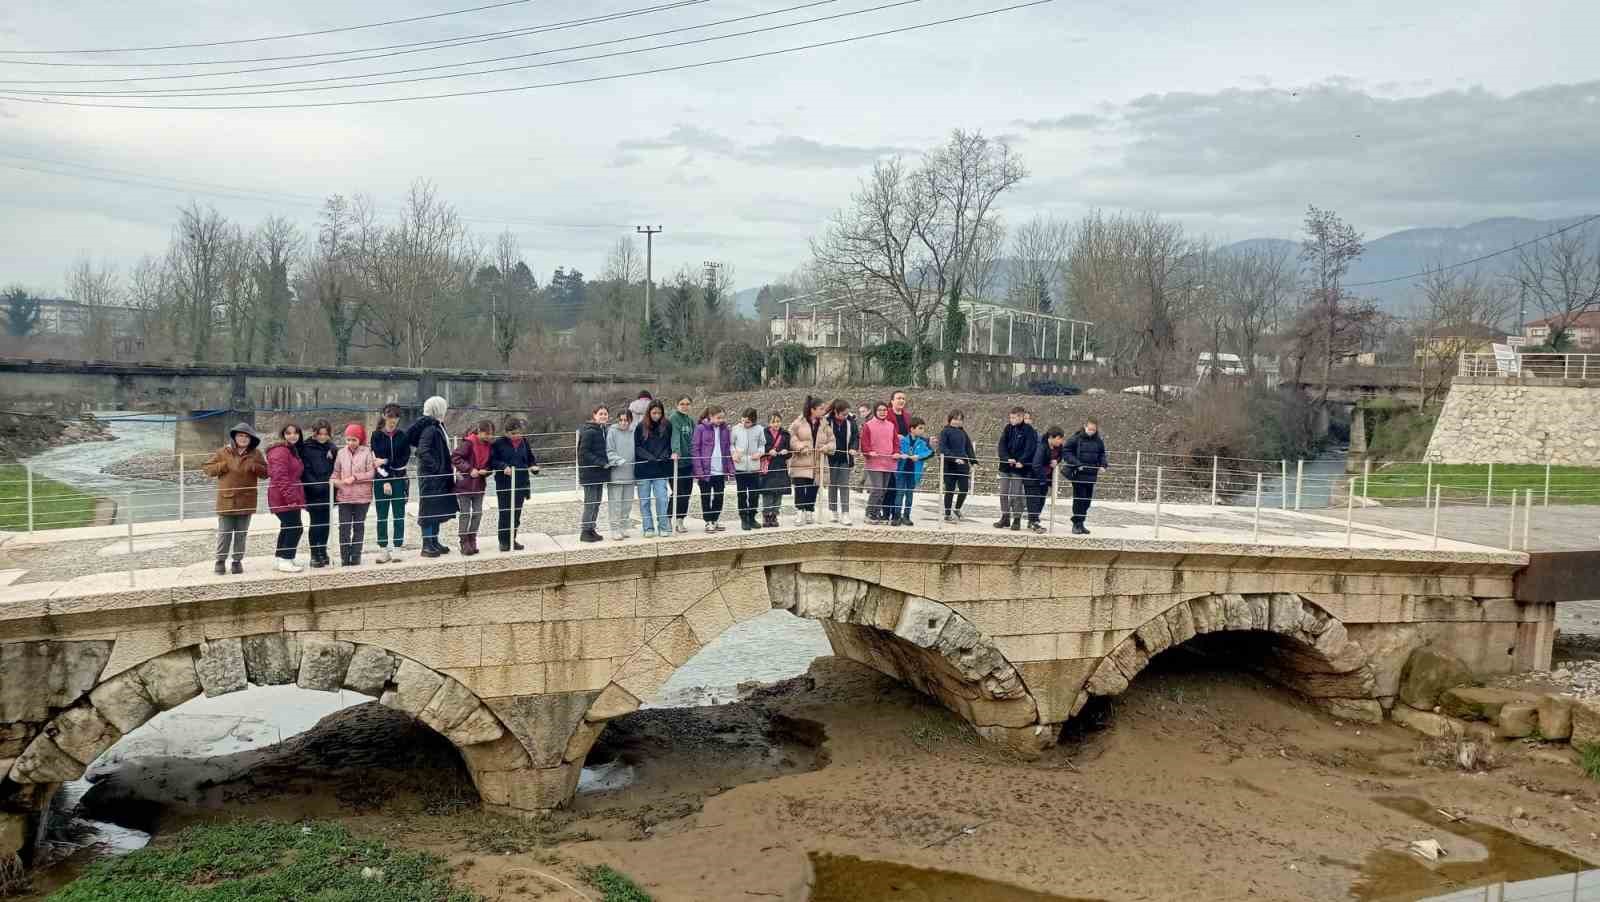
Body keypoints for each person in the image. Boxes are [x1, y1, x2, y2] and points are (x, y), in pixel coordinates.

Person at [204, 422, 267, 575]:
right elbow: (207, 469)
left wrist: (255, 467)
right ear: (234, 437)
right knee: (224, 533)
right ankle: (220, 561)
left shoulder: (256, 454)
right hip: (226, 501)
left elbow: (266, 473)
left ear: (251, 439)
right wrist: (222, 466)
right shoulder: (222, 452)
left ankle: (237, 561)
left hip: (247, 500)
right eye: (240, 435)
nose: (243, 439)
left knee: (241, 534)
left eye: (246, 436)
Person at [408, 395, 458, 557]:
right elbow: (422, 451)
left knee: (436, 509)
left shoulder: (435, 426)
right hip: (431, 478)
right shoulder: (430, 428)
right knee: (428, 510)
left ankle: (434, 541)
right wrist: (437, 468)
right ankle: (427, 544)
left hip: (436, 477)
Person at [489, 416, 539, 552]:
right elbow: (492, 461)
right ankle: (503, 541)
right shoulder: (498, 443)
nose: (516, 436)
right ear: (506, 433)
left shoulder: (524, 442)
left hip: (521, 482)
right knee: (505, 512)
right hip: (504, 483)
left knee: (516, 513)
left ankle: (512, 538)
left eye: (518, 433)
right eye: (513, 434)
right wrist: (503, 466)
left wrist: (534, 466)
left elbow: (530, 458)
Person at [371, 403, 412, 563]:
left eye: (395, 417)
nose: (392, 420)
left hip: (399, 479)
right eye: (389, 416)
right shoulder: (376, 435)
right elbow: (376, 461)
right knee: (381, 516)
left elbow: (403, 460)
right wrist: (385, 479)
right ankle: (383, 549)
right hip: (381, 480)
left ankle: (397, 548)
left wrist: (386, 461)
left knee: (398, 515)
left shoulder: (403, 436)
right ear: (384, 416)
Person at [334, 422, 378, 565]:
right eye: (348, 439)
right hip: (344, 496)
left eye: (354, 439)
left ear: (360, 440)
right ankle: (344, 557)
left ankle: (356, 556)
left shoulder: (367, 452)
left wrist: (355, 477)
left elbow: (371, 473)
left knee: (359, 526)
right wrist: (334, 481)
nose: (351, 442)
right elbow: (336, 472)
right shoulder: (341, 453)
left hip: (362, 497)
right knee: (344, 527)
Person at [787, 396, 835, 526]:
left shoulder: (825, 424)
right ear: (813, 410)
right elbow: (791, 436)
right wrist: (800, 446)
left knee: (813, 487)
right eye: (821, 408)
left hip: (817, 462)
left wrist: (827, 447)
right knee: (800, 487)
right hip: (801, 461)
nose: (823, 411)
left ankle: (809, 511)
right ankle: (799, 511)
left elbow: (832, 441)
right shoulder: (799, 422)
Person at [265, 423, 307, 573]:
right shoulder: (280, 451)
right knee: (296, 528)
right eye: (288, 433)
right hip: (283, 496)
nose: (293, 435)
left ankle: (280, 558)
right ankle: (285, 560)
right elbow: (280, 476)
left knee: (288, 526)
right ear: (283, 435)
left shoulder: (290, 450)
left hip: (288, 494)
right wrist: (290, 498)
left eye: (296, 433)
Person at [299, 419, 337, 568]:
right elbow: (305, 470)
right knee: (316, 523)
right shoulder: (306, 448)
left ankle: (323, 551)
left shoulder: (331, 447)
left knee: (326, 523)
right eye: (320, 434)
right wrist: (316, 486)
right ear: (314, 433)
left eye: (325, 434)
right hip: (314, 492)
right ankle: (314, 554)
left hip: (329, 491)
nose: (322, 437)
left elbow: (336, 467)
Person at [452, 420, 493, 556]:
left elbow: (490, 465)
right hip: (465, 485)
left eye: (491, 434)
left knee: (477, 513)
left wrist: (486, 471)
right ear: (479, 431)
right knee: (465, 514)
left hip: (479, 485)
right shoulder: (468, 443)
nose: (489, 437)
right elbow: (455, 457)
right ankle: (464, 541)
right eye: (487, 434)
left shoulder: (489, 446)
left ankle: (472, 538)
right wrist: (469, 469)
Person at [1062, 418, 1110, 535]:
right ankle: (1076, 524)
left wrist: (1103, 464)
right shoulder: (1076, 438)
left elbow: (1101, 453)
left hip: (1091, 475)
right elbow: (1066, 451)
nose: (1091, 431)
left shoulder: (1098, 441)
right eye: (1090, 429)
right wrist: (1077, 463)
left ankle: (1081, 522)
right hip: (1079, 474)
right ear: (1085, 426)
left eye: (1094, 429)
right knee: (1079, 499)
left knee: (1087, 501)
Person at [634, 400, 674, 538]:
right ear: (649, 412)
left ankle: (663, 526)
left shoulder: (667, 425)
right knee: (644, 501)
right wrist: (649, 457)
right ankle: (648, 527)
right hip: (644, 469)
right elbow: (637, 447)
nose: (656, 415)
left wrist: (664, 455)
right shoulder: (640, 427)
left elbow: (670, 444)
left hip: (661, 468)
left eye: (659, 412)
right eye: (654, 412)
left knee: (662, 499)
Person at [995, 407, 1038, 531]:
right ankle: (1005, 517)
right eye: (1011, 417)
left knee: (1016, 494)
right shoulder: (1008, 428)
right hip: (1005, 466)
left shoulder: (1029, 430)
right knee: (1003, 493)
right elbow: (1002, 445)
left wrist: (1021, 461)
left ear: (1021, 417)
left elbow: (1030, 448)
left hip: (1019, 468)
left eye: (1014, 417)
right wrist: (1006, 458)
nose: (1012, 420)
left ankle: (1017, 519)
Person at [691, 406, 733, 533]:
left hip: (720, 470)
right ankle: (708, 521)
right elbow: (695, 449)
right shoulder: (700, 428)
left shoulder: (725, 429)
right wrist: (698, 470)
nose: (721, 420)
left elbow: (727, 449)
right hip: (705, 470)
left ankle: (715, 519)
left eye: (722, 417)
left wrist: (730, 468)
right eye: (718, 417)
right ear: (710, 416)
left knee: (719, 496)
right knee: (706, 497)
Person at [859, 401, 898, 522]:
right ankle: (869, 513)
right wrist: (869, 451)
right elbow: (864, 442)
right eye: (880, 410)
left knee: (884, 490)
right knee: (878, 489)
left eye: (885, 410)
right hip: (874, 462)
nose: (882, 412)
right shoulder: (868, 425)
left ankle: (876, 513)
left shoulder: (891, 425)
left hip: (888, 462)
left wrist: (896, 452)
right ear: (875, 411)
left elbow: (895, 442)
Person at [729, 406, 766, 531]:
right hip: (740, 467)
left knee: (754, 494)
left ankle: (752, 517)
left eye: (748, 422)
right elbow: (731, 444)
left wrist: (759, 453)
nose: (745, 423)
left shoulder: (759, 429)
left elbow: (762, 445)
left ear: (754, 421)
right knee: (742, 494)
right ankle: (743, 518)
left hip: (754, 467)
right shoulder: (735, 429)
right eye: (743, 420)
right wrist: (734, 453)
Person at [577, 406, 610, 542]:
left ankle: (591, 529)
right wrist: (601, 462)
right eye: (600, 414)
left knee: (596, 502)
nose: (603, 416)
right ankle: (585, 531)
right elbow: (583, 453)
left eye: (605, 414)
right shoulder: (590, 431)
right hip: (590, 472)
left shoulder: (603, 430)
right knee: (590, 502)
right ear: (594, 415)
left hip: (599, 473)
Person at [893, 418, 934, 526]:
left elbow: (930, 452)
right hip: (901, 471)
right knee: (899, 493)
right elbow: (896, 450)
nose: (922, 431)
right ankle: (896, 516)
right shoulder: (902, 440)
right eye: (920, 428)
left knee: (909, 494)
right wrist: (902, 454)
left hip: (914, 472)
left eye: (923, 428)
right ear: (912, 429)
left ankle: (906, 516)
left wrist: (919, 457)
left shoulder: (922, 442)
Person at [1026, 427, 1067, 533]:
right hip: (1033, 477)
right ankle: (1034, 522)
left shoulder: (1059, 447)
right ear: (1051, 438)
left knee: (1041, 501)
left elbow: (1060, 457)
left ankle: (1033, 522)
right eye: (1058, 439)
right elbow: (1036, 465)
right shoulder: (1042, 446)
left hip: (1045, 478)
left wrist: (1056, 461)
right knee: (1034, 501)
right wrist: (1042, 479)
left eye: (1061, 439)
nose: (1060, 441)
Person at [938, 411, 977, 523]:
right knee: (950, 490)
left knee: (964, 489)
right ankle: (947, 513)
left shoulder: (963, 432)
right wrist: (954, 458)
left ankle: (957, 509)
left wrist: (973, 461)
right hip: (949, 465)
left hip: (963, 465)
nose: (957, 422)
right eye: (955, 419)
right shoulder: (945, 431)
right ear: (950, 419)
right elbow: (943, 448)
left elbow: (969, 447)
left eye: (960, 420)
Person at [825, 399, 858, 525]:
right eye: (843, 414)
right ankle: (833, 510)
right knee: (832, 485)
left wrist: (854, 448)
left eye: (846, 414)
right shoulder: (827, 421)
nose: (845, 416)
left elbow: (855, 436)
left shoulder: (851, 421)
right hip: (831, 458)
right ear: (835, 412)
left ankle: (845, 512)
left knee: (844, 485)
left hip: (845, 457)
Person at [667, 396, 697, 533]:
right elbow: (675, 436)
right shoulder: (674, 418)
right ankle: (667, 519)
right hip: (676, 463)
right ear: (676, 405)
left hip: (688, 462)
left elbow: (693, 439)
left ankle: (680, 519)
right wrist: (675, 451)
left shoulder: (690, 420)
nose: (685, 406)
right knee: (677, 492)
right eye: (682, 404)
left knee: (687, 493)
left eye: (687, 404)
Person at [606, 408, 637, 541]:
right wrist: (619, 460)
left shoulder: (634, 432)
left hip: (630, 474)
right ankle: (614, 529)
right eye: (621, 420)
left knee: (627, 503)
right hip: (616, 474)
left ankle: (624, 526)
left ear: (630, 421)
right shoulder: (612, 432)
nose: (624, 423)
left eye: (626, 420)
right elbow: (609, 451)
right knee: (615, 503)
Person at [758, 411, 792, 528]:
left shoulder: (786, 434)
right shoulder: (763, 433)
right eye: (773, 422)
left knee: (779, 492)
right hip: (768, 465)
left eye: (778, 421)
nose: (776, 424)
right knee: (767, 491)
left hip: (780, 465)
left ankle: (774, 515)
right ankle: (766, 515)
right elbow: (760, 449)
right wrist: (768, 451)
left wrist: (786, 452)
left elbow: (789, 452)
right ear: (769, 423)